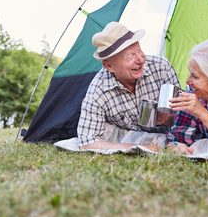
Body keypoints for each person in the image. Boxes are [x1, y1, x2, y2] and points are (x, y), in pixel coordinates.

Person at [77, 21, 180, 152]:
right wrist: (139, 148)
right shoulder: (99, 90)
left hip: (167, 136)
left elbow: (185, 118)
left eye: (139, 51)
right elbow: (87, 142)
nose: (141, 60)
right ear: (109, 66)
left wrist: (168, 118)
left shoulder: (162, 67)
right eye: (131, 56)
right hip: (127, 138)